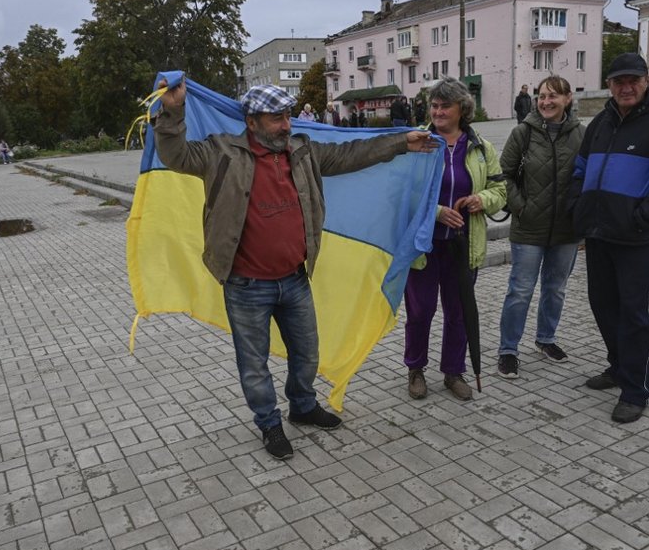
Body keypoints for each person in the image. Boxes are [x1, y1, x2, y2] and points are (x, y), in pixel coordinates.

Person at [153, 79, 438, 459]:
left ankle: (302, 406)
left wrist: (402, 143)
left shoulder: (302, 151)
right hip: (246, 284)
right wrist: (172, 110)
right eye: (277, 118)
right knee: (254, 364)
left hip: (294, 278)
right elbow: (175, 155)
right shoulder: (220, 152)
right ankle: (269, 423)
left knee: (307, 354)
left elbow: (352, 153)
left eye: (288, 116)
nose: (287, 125)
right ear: (252, 121)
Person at [569, 53, 649, 424]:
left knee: (633, 313)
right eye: (618, 81)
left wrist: (643, 218)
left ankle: (636, 388)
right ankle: (619, 366)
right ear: (609, 84)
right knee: (602, 306)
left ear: (647, 79)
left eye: (632, 80)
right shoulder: (600, 123)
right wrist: (579, 207)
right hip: (599, 232)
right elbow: (580, 168)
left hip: (635, 237)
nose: (625, 87)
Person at [404, 77, 506, 401]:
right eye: (434, 105)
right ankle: (415, 368)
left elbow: (501, 190)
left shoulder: (480, 147)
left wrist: (482, 200)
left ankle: (453, 371)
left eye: (444, 105)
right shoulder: (419, 143)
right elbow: (403, 194)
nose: (437, 111)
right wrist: (436, 212)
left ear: (462, 108)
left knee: (459, 311)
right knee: (420, 312)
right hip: (425, 246)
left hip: (463, 245)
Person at [497, 76, 584, 379]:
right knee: (520, 291)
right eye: (541, 96)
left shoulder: (581, 135)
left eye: (553, 96)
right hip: (528, 227)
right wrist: (521, 206)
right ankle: (508, 349)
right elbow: (502, 175)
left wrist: (581, 216)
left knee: (556, 289)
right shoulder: (522, 133)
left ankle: (546, 339)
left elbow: (586, 178)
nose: (546, 102)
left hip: (566, 230)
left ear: (568, 99)